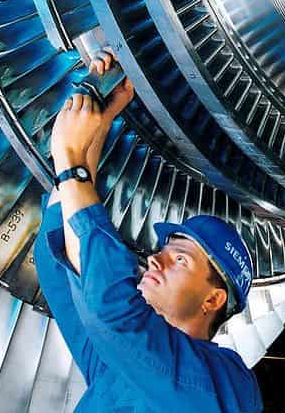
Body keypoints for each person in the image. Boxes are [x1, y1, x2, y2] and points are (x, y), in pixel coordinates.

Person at [34, 49, 263, 413]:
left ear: (212, 300)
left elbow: (111, 309)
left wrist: (71, 163)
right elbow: (59, 264)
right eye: (165, 251)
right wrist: (98, 128)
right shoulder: (120, 366)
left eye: (181, 260)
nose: (156, 259)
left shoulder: (222, 384)